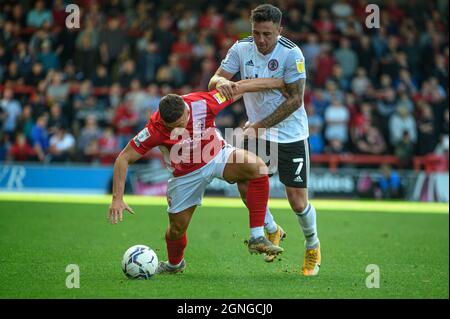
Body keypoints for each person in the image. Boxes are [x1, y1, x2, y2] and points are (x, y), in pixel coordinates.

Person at [108, 77, 285, 274]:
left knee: (257, 167)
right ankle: (175, 265)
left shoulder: (203, 103)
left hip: (216, 154)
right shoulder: (154, 129)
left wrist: (279, 83)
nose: (178, 130)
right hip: (185, 174)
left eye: (180, 123)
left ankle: (257, 236)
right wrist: (117, 198)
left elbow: (241, 87)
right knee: (177, 229)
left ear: (186, 109)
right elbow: (123, 158)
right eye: (172, 127)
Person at [208, 4, 320, 275]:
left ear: (279, 31)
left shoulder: (292, 53)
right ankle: (272, 229)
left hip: (291, 134)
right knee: (245, 184)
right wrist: (219, 83)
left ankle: (312, 245)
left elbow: (295, 100)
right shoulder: (240, 49)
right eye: (256, 32)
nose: (261, 40)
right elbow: (214, 80)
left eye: (267, 34)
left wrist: (258, 125)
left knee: (297, 201)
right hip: (257, 133)